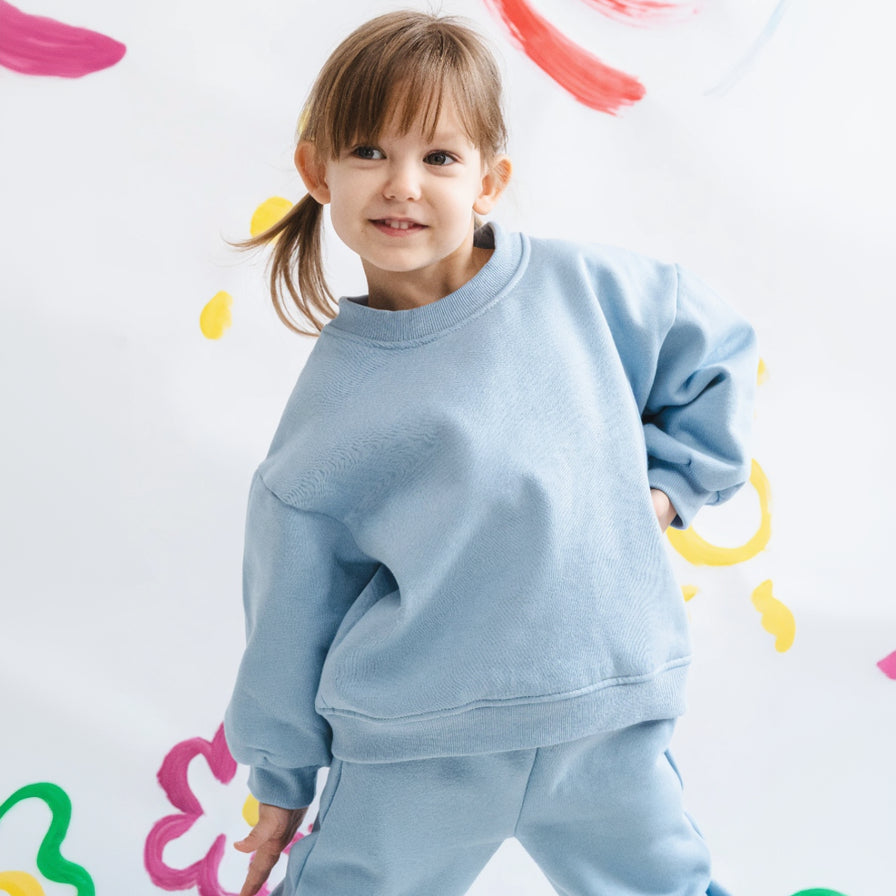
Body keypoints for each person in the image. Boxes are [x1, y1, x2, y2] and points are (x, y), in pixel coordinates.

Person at [224, 9, 757, 896]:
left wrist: (668, 490)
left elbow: (717, 354)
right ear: (317, 172)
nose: (402, 185)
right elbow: (289, 609)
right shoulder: (328, 414)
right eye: (369, 151)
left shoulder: (588, 290)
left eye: (438, 156)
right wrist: (280, 780)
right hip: (416, 751)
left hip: (605, 726)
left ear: (489, 179)